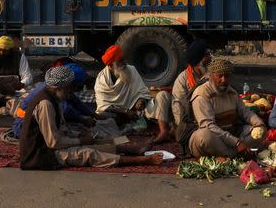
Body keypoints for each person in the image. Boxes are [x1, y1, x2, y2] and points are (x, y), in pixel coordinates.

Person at [19, 65, 164, 170]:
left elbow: (62, 127)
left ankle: (132, 149)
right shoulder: (46, 104)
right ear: (58, 88)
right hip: (41, 155)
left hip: (52, 144)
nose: (71, 91)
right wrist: (80, 139)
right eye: (69, 87)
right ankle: (140, 160)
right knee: (88, 153)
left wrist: (79, 135)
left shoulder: (56, 97)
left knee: (97, 140)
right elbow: (53, 142)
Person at [94, 45, 173, 144]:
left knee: (163, 95)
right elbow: (104, 106)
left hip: (139, 112)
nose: (125, 63)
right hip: (119, 114)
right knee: (107, 117)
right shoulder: (101, 80)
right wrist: (125, 112)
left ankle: (164, 131)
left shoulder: (131, 70)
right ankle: (124, 131)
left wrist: (141, 100)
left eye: (124, 59)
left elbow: (143, 92)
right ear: (110, 65)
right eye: (120, 61)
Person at [188, 58, 266, 157]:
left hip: (231, 134)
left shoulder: (232, 92)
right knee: (204, 135)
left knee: (261, 132)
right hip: (213, 138)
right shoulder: (202, 94)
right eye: (220, 76)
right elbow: (209, 126)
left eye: (227, 76)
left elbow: (245, 112)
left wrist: (259, 124)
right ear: (211, 76)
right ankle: (233, 154)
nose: (224, 80)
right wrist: (236, 143)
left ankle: (229, 154)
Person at [171, 40, 211, 152]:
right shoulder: (182, 79)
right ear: (199, 61)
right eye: (206, 55)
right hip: (191, 119)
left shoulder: (212, 74)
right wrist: (182, 127)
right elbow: (179, 107)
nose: (210, 57)